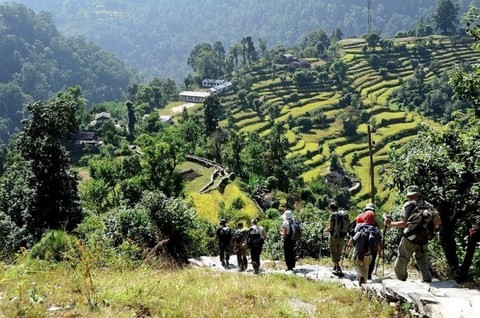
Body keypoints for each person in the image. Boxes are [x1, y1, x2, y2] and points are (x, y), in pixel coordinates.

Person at [384, 185, 441, 282]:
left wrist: (390, 223)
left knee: (402, 258)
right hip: (424, 238)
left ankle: (401, 279)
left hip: (409, 238)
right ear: (418, 194)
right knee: (422, 259)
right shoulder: (428, 206)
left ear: (408, 195)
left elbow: (403, 223)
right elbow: (438, 221)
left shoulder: (408, 205)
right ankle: (427, 279)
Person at [346, 210, 381, 285]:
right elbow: (378, 243)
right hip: (368, 253)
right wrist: (379, 252)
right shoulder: (375, 228)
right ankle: (363, 286)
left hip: (358, 252)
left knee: (356, 264)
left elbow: (353, 237)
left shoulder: (359, 226)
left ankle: (359, 274)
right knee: (366, 269)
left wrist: (348, 246)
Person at [356, 202, 381, 279]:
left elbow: (355, 230)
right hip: (373, 242)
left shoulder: (359, 217)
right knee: (372, 259)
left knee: (359, 257)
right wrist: (379, 249)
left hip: (360, 240)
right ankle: (368, 274)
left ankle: (360, 274)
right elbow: (382, 227)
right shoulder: (375, 218)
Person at [324, 202, 349, 276]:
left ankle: (338, 267)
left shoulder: (333, 215)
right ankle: (335, 266)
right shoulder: (343, 215)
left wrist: (324, 230)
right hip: (342, 237)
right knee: (338, 252)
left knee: (333, 251)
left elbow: (330, 228)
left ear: (331, 208)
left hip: (334, 236)